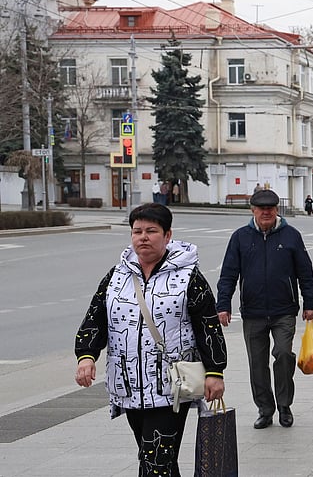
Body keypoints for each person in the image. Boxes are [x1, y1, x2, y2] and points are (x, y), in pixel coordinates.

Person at [74, 203, 226, 476]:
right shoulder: (116, 276)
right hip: (129, 387)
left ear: (167, 235)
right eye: (137, 231)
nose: (142, 237)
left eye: (151, 231)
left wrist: (215, 371)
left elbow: (208, 326)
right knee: (156, 460)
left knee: (155, 462)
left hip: (171, 388)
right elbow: (95, 319)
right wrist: (86, 356)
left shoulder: (188, 277)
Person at [216, 189, 313, 429]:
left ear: (276, 210)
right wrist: (223, 305)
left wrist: (310, 303)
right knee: (257, 364)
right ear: (253, 210)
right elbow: (228, 274)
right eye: (261, 209)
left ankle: (284, 405)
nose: (266, 213)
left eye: (270, 209)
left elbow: (305, 272)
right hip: (253, 312)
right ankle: (265, 408)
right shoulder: (240, 237)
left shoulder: (291, 236)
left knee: (283, 355)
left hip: (284, 310)